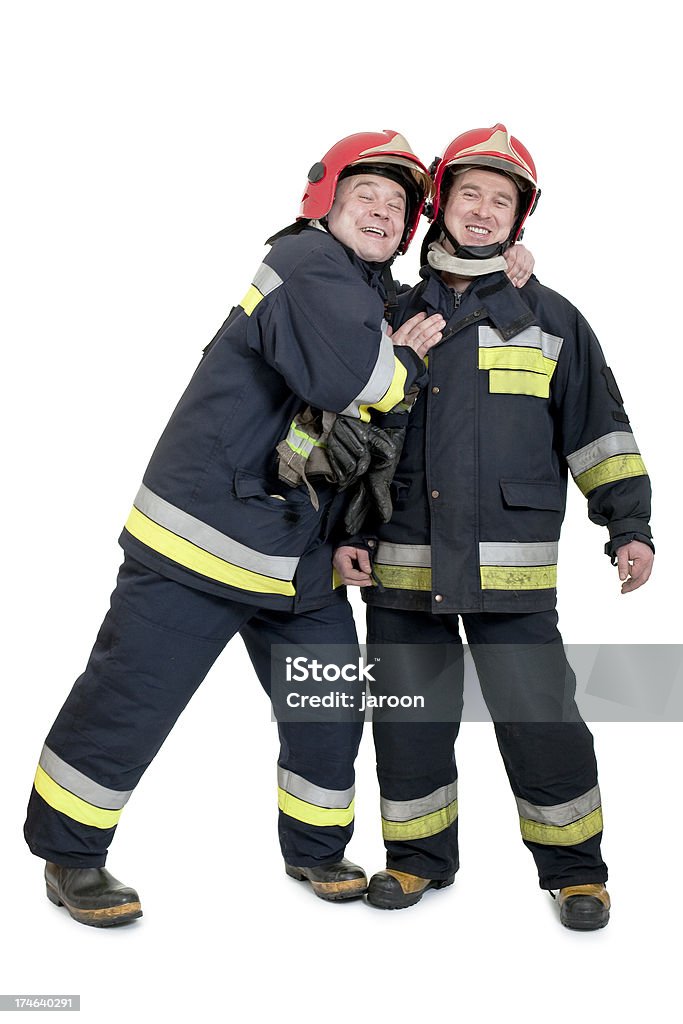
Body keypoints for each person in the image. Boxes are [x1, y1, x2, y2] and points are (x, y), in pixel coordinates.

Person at [23, 129, 449, 926]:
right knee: (132, 700)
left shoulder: (365, 292)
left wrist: (514, 266)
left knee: (326, 708)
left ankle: (316, 851)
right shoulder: (304, 264)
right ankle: (70, 858)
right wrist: (404, 366)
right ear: (324, 200)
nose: (383, 211)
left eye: (398, 205)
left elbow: (439, 307)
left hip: (297, 560)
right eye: (367, 195)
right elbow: (355, 378)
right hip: (201, 543)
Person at [334, 124, 654, 929]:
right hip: (401, 565)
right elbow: (350, 438)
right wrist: (347, 533)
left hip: (510, 576)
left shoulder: (551, 319)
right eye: (469, 194)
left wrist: (628, 525)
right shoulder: (385, 314)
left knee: (541, 722)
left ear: (520, 220)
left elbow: (597, 428)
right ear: (439, 204)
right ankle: (413, 861)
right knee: (409, 723)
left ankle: (575, 872)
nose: (482, 212)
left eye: (501, 200)